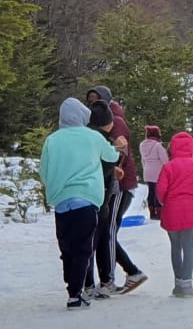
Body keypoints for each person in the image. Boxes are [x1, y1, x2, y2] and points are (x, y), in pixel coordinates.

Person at [40, 98, 121, 309]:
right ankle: (76, 293)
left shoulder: (52, 140)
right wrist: (118, 147)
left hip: (61, 202)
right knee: (83, 248)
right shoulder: (93, 137)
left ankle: (72, 288)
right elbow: (112, 156)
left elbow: (43, 172)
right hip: (86, 199)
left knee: (67, 247)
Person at [88, 86, 149, 293]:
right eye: (90, 100)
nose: (92, 104)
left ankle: (112, 278)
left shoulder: (115, 121)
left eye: (96, 100)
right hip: (108, 182)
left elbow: (120, 152)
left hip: (118, 185)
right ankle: (127, 272)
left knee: (108, 231)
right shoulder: (98, 122)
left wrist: (114, 172)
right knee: (105, 231)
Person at [156, 132, 193, 298]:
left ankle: (177, 284)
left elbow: (160, 190)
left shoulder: (168, 166)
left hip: (171, 211)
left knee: (175, 248)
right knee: (189, 250)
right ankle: (187, 285)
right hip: (189, 210)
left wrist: (165, 202)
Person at [82, 101, 128, 298]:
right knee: (100, 237)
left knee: (88, 240)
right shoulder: (100, 139)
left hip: (84, 195)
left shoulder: (84, 136)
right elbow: (106, 164)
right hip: (100, 195)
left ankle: (88, 283)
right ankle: (104, 281)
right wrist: (118, 152)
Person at [140, 125, 168, 221]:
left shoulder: (142, 145)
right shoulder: (157, 146)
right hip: (158, 173)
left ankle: (152, 212)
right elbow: (164, 160)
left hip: (147, 172)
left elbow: (143, 160)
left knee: (151, 192)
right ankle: (159, 212)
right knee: (157, 193)